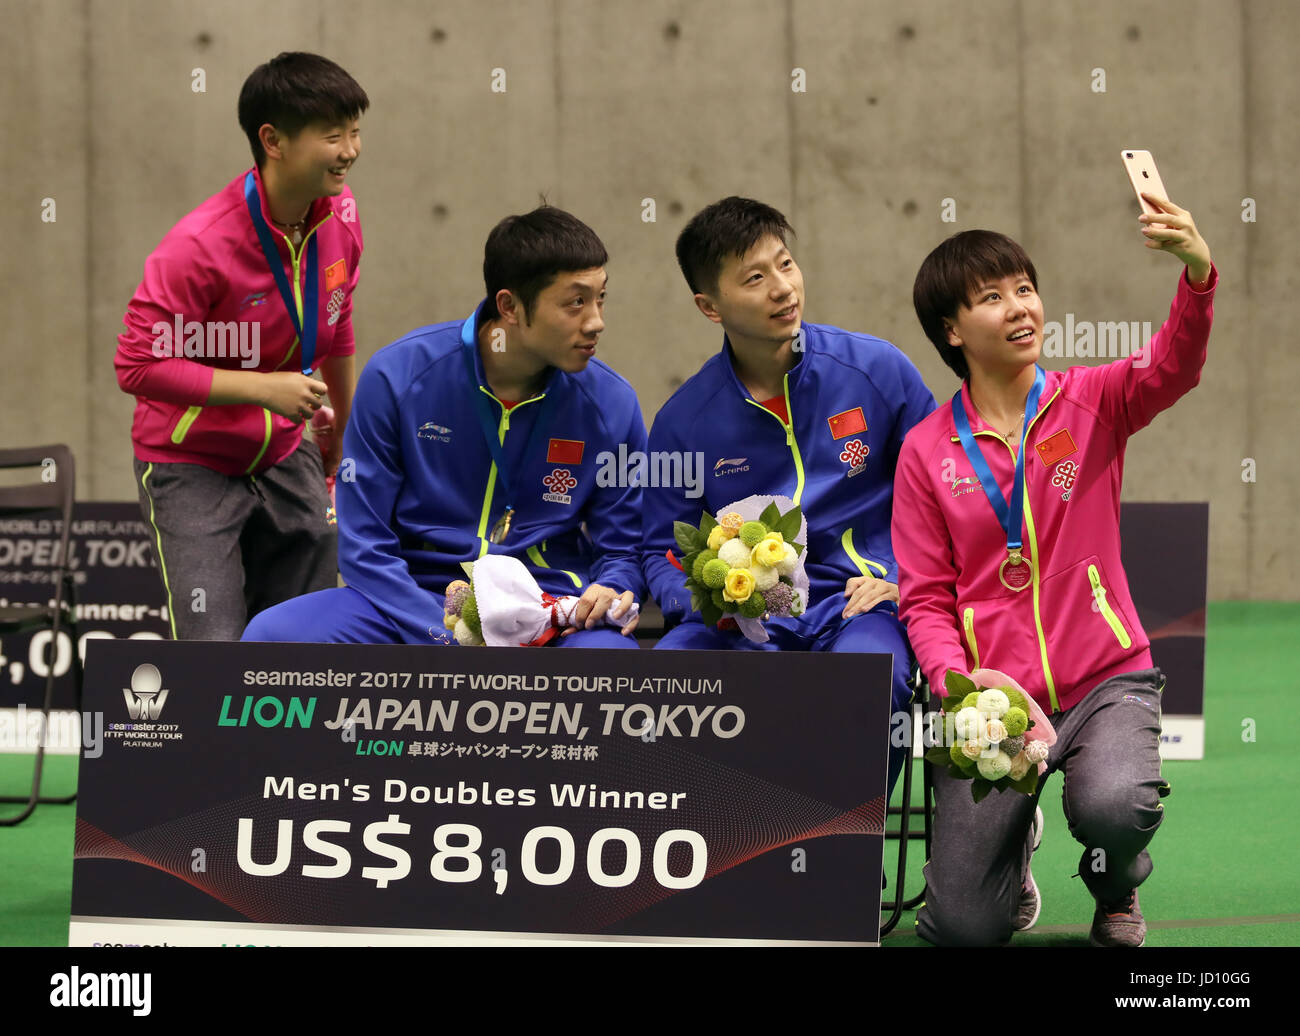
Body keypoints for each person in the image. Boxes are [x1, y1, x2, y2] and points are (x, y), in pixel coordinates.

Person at [895, 195, 1216, 947]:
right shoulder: (926, 452)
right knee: (962, 931)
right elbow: (925, 601)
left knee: (1115, 808)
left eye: (1025, 289)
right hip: (995, 705)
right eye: (991, 297)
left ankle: (1114, 889)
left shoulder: (1091, 400)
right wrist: (957, 685)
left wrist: (1197, 271)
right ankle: (1015, 843)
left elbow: (1176, 363)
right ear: (952, 330)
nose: (1019, 308)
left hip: (1105, 678)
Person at [242, 206, 645, 646]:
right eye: (575, 302)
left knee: (610, 659)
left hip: (550, 606)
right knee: (274, 636)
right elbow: (365, 546)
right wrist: (446, 635)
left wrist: (613, 588)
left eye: (600, 297)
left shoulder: (611, 404)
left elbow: (621, 548)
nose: (596, 321)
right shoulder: (398, 378)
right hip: (416, 599)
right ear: (509, 306)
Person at [641, 197, 936, 793]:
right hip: (744, 619)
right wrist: (705, 596)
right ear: (710, 306)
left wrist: (906, 581)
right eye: (755, 278)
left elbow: (947, 498)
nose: (783, 288)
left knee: (869, 681)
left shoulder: (877, 372)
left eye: (786, 264)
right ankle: (733, 848)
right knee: (672, 680)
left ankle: (839, 850)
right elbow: (658, 551)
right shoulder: (684, 421)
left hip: (860, 606)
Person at [115, 52, 367, 640]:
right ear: (272, 140)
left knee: (302, 638)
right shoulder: (199, 246)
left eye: (355, 131)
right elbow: (137, 363)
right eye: (333, 135)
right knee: (213, 647)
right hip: (190, 461)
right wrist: (263, 389)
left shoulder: (342, 216)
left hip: (283, 451)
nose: (350, 150)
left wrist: (343, 425)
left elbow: (338, 315)